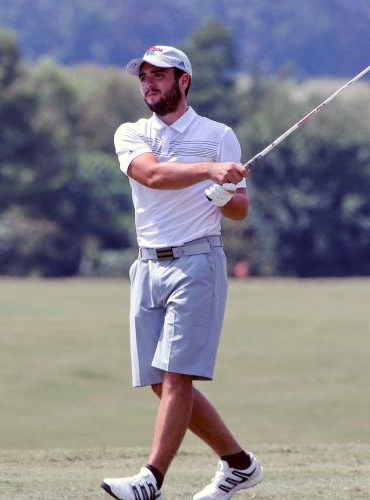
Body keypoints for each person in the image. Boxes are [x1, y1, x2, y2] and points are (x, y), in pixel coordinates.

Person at [100, 45, 263, 500]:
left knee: (177, 377)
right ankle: (239, 464)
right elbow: (151, 176)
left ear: (183, 81)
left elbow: (241, 210)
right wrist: (209, 172)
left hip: (197, 263)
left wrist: (223, 196)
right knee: (158, 380)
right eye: (144, 76)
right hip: (147, 264)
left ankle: (151, 479)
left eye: (159, 76)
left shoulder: (217, 135)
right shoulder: (131, 133)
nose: (149, 83)